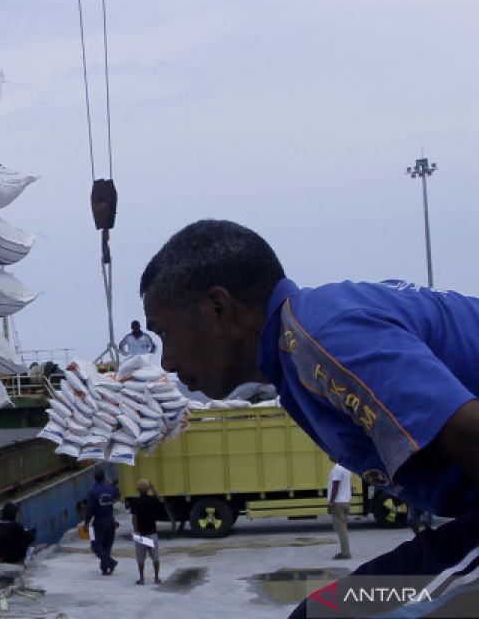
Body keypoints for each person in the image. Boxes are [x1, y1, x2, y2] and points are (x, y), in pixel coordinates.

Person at [140, 219, 479, 617]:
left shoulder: (322, 335)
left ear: (219, 308)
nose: (167, 360)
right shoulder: (301, 353)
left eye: (163, 332)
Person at [83, 467, 119, 575]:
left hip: (98, 522)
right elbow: (117, 495)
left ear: (94, 478)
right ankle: (105, 568)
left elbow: (90, 509)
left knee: (95, 545)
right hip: (110, 520)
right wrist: (112, 485)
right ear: (104, 477)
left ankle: (110, 562)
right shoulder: (111, 488)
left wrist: (86, 522)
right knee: (107, 545)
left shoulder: (92, 491)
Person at [126, 479, 162, 585]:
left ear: (138, 490)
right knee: (155, 557)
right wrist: (153, 487)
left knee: (140, 558)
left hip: (141, 533)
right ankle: (156, 578)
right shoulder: (152, 500)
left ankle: (141, 579)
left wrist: (136, 530)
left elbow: (134, 517)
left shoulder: (135, 502)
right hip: (152, 533)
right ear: (147, 489)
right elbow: (158, 498)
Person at [327, 462, 352, 560]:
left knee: (341, 529)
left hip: (338, 502)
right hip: (345, 501)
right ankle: (346, 551)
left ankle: (345, 553)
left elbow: (335, 487)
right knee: (344, 528)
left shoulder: (337, 468)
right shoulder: (347, 467)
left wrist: (330, 502)